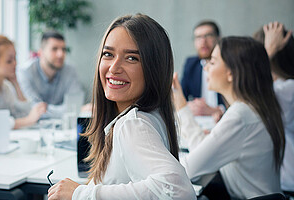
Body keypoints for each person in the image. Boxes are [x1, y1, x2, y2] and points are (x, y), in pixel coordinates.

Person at [47, 14, 196, 199]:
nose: (114, 67)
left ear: (153, 68)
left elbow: (179, 190)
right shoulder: (149, 116)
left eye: (131, 58)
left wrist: (80, 194)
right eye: (108, 54)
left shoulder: (132, 124)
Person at [173, 37, 285, 199]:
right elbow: (206, 152)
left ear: (231, 73)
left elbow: (187, 170)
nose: (206, 69)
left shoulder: (240, 116)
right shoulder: (255, 108)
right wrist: (182, 106)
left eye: (212, 62)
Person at [253, 21, 294, 198]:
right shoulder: (282, 88)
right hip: (284, 182)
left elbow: (248, 85)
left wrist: (268, 50)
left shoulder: (292, 90)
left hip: (291, 184)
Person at [17, 31, 83, 117]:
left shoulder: (70, 71)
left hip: (63, 128)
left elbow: (74, 106)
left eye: (63, 49)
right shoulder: (25, 72)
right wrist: (66, 111)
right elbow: (31, 109)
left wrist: (46, 109)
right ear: (40, 52)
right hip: (31, 128)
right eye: (54, 49)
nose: (60, 54)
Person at [181, 20, 225, 121]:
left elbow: (238, 101)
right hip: (200, 121)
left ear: (218, 38)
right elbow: (182, 97)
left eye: (208, 35)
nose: (203, 41)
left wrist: (217, 110)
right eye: (198, 37)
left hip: (223, 119)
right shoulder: (191, 64)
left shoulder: (229, 64)